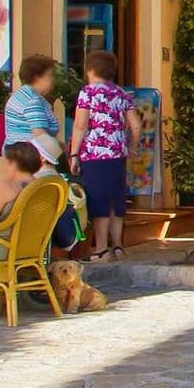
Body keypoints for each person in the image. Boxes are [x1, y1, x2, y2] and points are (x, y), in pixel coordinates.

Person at [67, 49, 140, 263]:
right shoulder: (121, 94)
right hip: (118, 154)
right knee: (115, 199)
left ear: (90, 70)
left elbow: (80, 125)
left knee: (98, 200)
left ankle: (100, 249)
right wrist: (133, 147)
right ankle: (118, 246)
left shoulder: (88, 93)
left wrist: (74, 154)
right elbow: (135, 125)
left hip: (94, 155)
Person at [2, 55, 61, 158]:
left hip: (19, 156)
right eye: (50, 75)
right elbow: (40, 135)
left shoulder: (21, 94)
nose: (53, 80)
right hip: (29, 158)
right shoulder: (32, 100)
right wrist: (60, 156)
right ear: (37, 77)